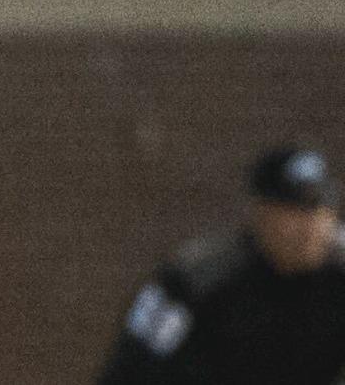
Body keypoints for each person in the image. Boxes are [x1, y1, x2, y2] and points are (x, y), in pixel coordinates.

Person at [97, 145, 345, 384]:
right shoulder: (197, 280)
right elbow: (131, 366)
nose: (312, 226)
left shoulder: (338, 274)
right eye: (295, 212)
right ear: (261, 213)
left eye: (321, 210)